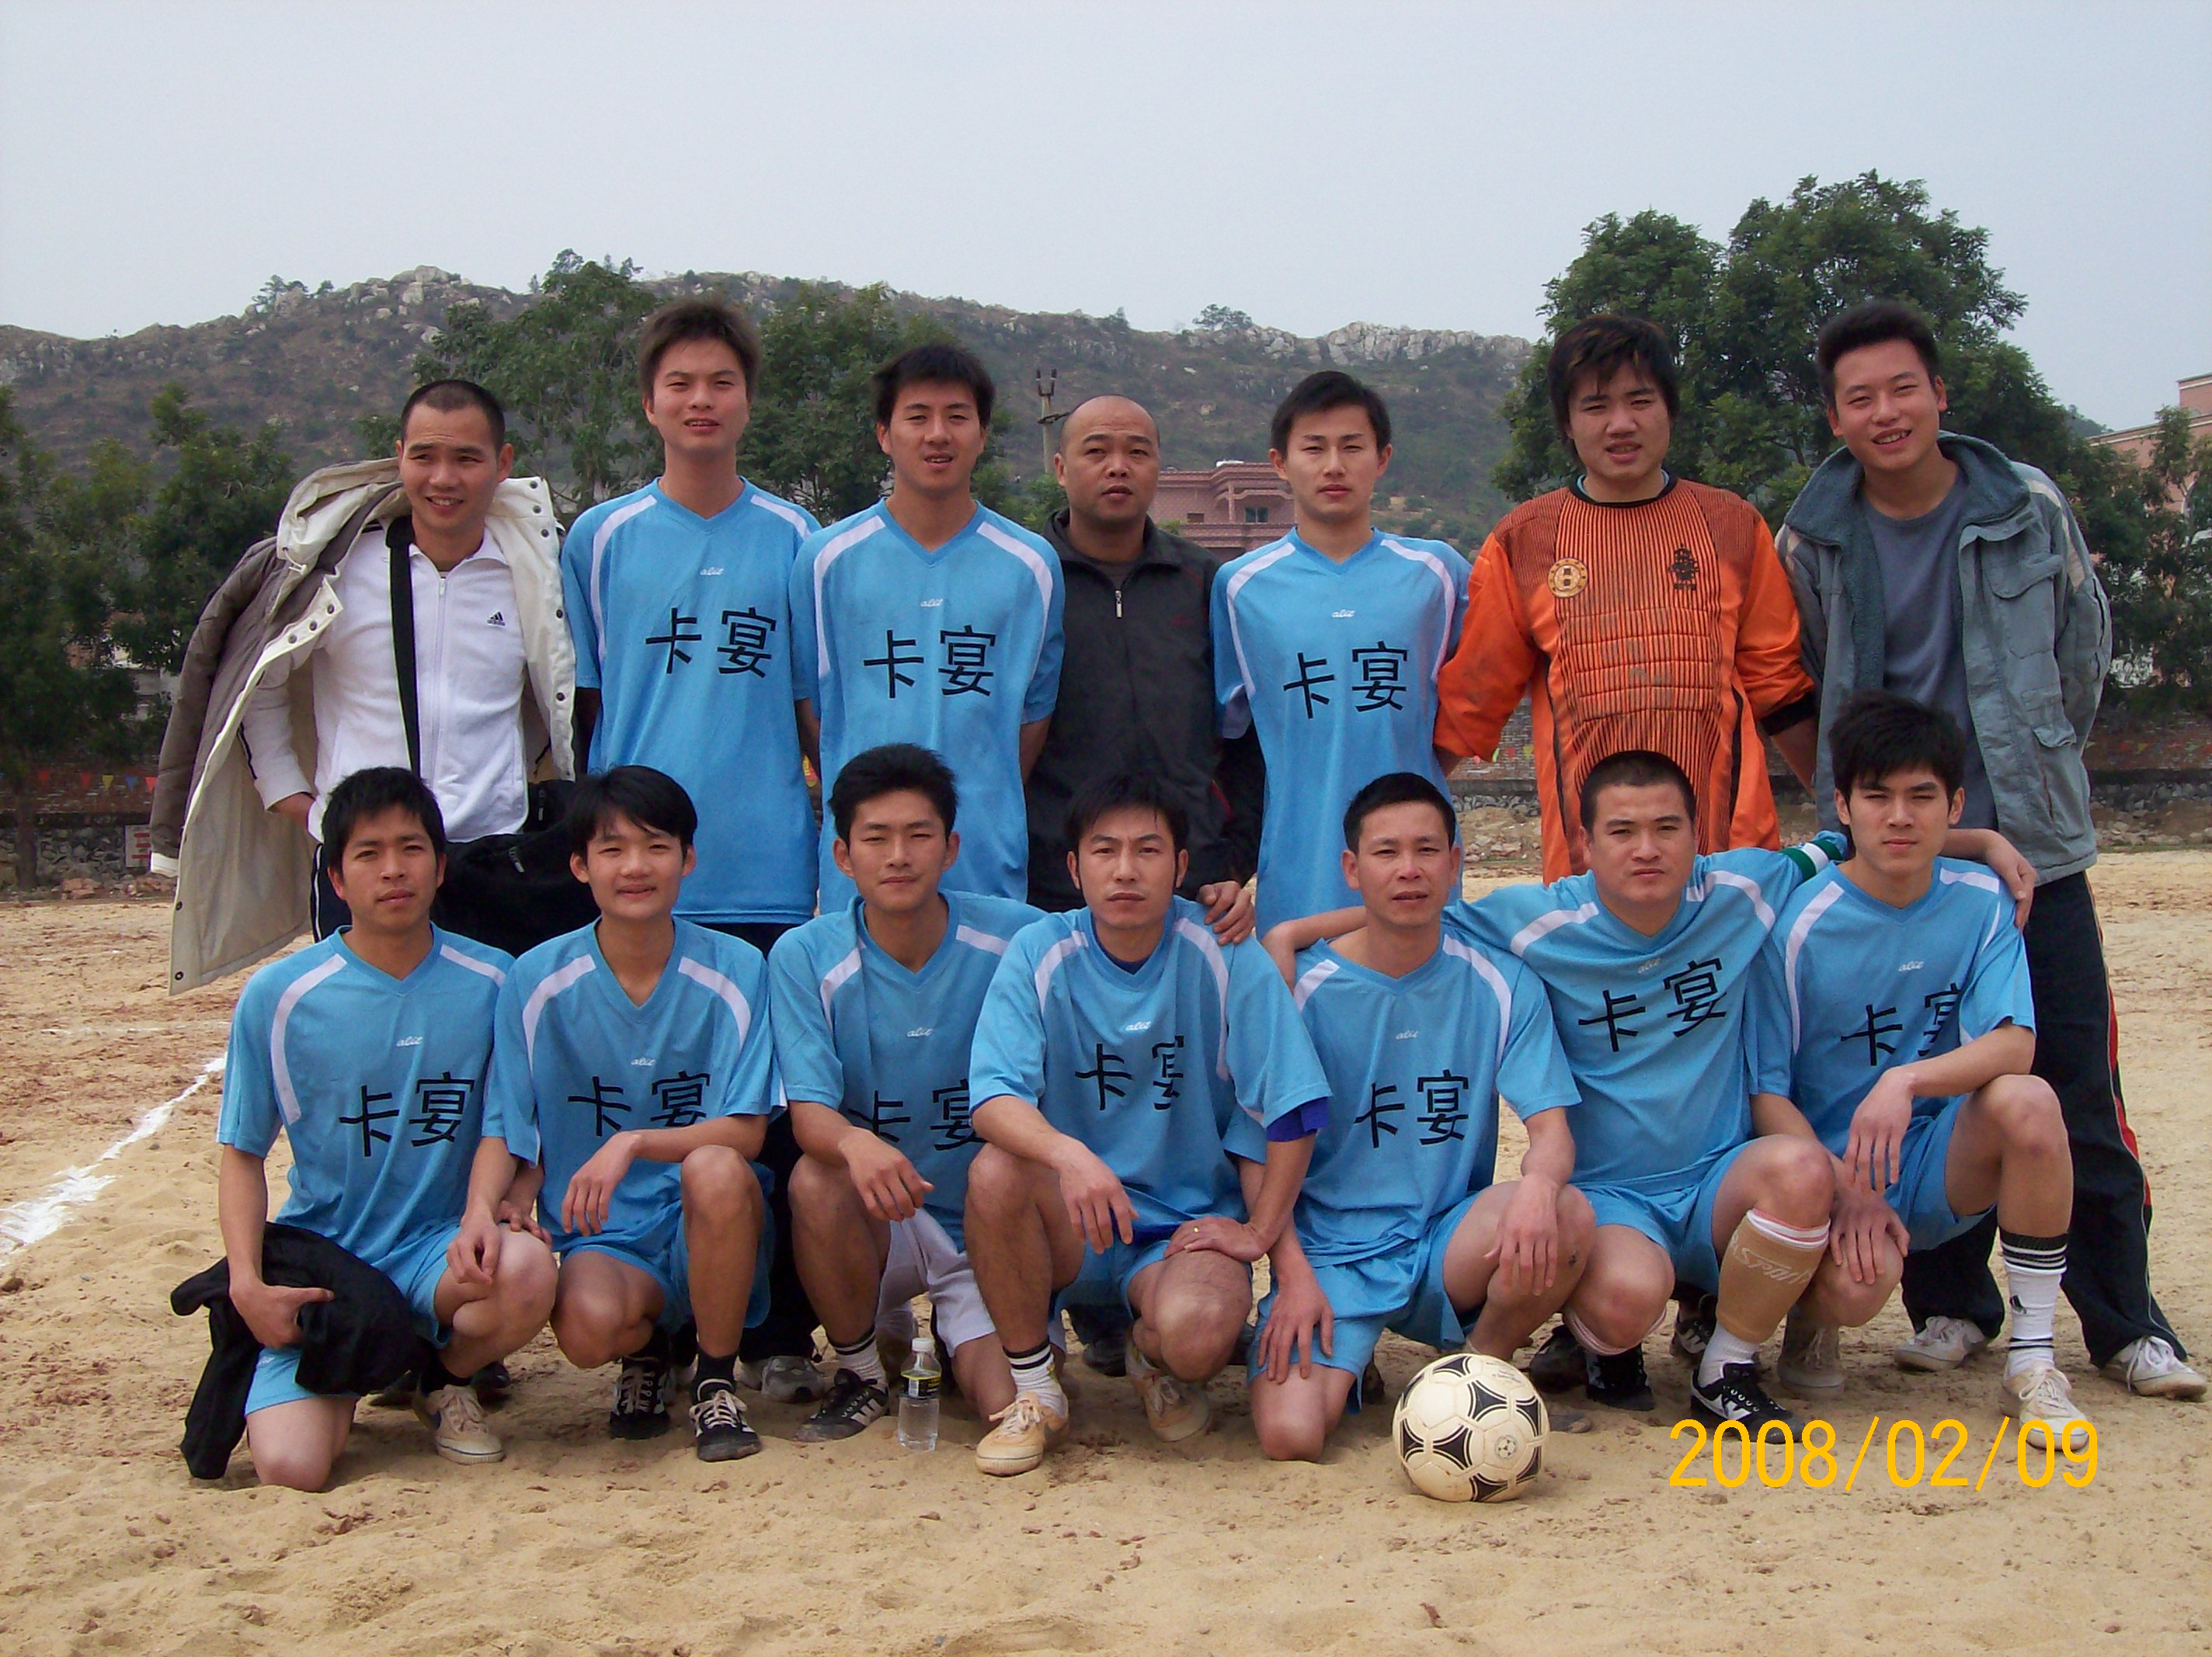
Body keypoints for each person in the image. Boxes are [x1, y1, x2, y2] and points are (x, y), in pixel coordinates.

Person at [1270, 750, 2029, 1427]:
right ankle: (1598, 1339)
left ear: (1698, 836)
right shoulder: (1535, 920)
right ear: (1585, 844)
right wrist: (1292, 935)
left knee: (1802, 1171)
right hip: (1612, 1200)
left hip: (1717, 1178)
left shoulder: (1745, 887)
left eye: (1667, 828)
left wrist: (1984, 843)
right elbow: (1414, 903)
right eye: (1622, 831)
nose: (1646, 848)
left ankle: (1724, 1368)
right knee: (1626, 1301)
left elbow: (1865, 839)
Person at [1778, 300, 2201, 1402]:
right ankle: (1953, 1306)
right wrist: (1884, 807)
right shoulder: (1813, 539)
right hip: (1900, 858)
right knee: (1925, 1079)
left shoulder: (2026, 506)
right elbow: (1809, 681)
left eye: (1901, 388)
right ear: (1835, 416)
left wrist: (2027, 781)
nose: (1884, 412)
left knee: (2072, 1083)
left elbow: (2081, 651)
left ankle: (2124, 1324)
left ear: (1939, 393)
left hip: (2034, 852)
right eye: (1859, 397)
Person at [561, 295, 826, 1405]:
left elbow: (814, 710)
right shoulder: (599, 538)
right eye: (681, 383)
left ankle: (775, 1331)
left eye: (722, 382)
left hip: (767, 870)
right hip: (640, 873)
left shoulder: (797, 540)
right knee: (647, 1098)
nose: (701, 400)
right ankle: (658, 1338)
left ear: (748, 400)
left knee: (768, 1117)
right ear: (649, 402)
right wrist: (605, 844)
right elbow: (590, 704)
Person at [962, 773, 1329, 1475]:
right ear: (1075, 869)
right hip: (1072, 1220)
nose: (1125, 870)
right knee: (996, 1169)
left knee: (1201, 1334)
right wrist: (1070, 1156)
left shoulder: (1223, 950)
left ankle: (1149, 1357)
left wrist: (1260, 1235)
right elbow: (993, 1099)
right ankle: (1036, 1388)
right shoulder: (1039, 951)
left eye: (1148, 850)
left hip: (1179, 1231)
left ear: (1182, 866)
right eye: (1105, 851)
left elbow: (1292, 1104)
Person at [1748, 692, 2089, 1443]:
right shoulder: (1797, 923)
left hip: (1936, 1157)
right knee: (1856, 1292)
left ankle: (2033, 1360)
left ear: (1955, 806)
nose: (1899, 817)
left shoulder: (1984, 900)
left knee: (2029, 1100)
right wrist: (1843, 1187)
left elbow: (2015, 1044)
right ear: (1843, 806)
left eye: (1921, 796)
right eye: (1877, 796)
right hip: (1829, 1170)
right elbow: (1765, 1093)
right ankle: (1810, 1310)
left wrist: (1904, 1080)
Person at [158, 379, 574, 991]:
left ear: (503, 463)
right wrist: (293, 798)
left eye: (466, 458)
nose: (443, 479)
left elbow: (556, 698)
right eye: (425, 456)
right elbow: (261, 684)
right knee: (365, 1032)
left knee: (491, 1038)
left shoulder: (535, 576)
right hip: (369, 865)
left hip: (493, 857)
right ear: (398, 456)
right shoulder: (341, 571)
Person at [213, 767, 555, 1489]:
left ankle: (440, 1378)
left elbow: (507, 1123)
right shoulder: (280, 996)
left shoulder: (495, 979)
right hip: (330, 1261)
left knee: (526, 1270)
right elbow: (242, 1154)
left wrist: (485, 1211)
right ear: (336, 878)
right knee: (292, 1466)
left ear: (441, 865)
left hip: (437, 1250)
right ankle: (358, 1363)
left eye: (412, 848)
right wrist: (246, 1283)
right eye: (369, 854)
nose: (393, 870)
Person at [1028, 391, 1266, 1377]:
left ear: (1160, 465)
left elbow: (1244, 737)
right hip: (1060, 884)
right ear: (1061, 467)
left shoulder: (1207, 585)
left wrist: (1233, 858)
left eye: (1136, 449)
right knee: (1074, 1093)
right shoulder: (1028, 578)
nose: (1117, 466)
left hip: (1191, 885)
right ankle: (1084, 1298)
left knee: (1178, 1087)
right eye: (1096, 449)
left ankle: (1175, 1270)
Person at [1253, 773, 1590, 1461]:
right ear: (1352, 869)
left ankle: (1472, 1374)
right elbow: (1257, 1152)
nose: (1409, 869)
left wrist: (1538, 1186)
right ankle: (1353, 1359)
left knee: (1567, 1213)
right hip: (1333, 1255)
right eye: (1387, 852)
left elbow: (1551, 1129)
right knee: (1290, 1436)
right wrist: (1292, 1273)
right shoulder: (1297, 988)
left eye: (1427, 850)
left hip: (1445, 1241)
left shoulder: (1500, 981)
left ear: (1456, 862)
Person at [1433, 314, 1821, 883]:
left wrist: (1841, 807)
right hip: (1587, 875)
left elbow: (1778, 687)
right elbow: (1473, 701)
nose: (1621, 424)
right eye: (1596, 406)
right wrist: (1397, 808)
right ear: (1567, 423)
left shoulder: (1732, 526)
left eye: (1640, 401)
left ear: (1670, 410)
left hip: (1730, 864)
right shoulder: (1525, 542)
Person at [478, 768, 781, 1461]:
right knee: (586, 1331)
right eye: (612, 850)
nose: (635, 867)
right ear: (579, 866)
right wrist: (504, 1199)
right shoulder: (535, 979)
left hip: (709, 1219)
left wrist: (633, 1143)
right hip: (602, 1232)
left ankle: (714, 1381)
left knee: (715, 1168)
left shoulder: (737, 968)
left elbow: (748, 1131)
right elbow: (514, 1122)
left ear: (688, 858)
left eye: (656, 846)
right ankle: (652, 1353)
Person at [770, 745, 1038, 1441]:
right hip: (876, 1221)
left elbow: (1121, 925)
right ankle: (860, 1369)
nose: (898, 856)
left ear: (951, 848)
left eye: (919, 835)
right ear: (842, 855)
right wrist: (857, 1143)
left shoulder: (1018, 936)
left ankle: (952, 1333)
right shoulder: (804, 955)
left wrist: (1223, 907)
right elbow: (809, 1114)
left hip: (979, 1226)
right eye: (876, 838)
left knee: (1005, 1404)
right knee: (815, 1177)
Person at [791, 342, 1064, 908]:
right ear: (884, 434)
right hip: (864, 871)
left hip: (984, 858)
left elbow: (1032, 715)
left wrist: (980, 794)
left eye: (957, 417)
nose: (938, 434)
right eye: (917, 417)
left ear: (982, 435)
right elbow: (812, 708)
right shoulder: (826, 560)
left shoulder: (1030, 565)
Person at [1212, 370, 1470, 934]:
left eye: (1352, 447)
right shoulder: (1240, 587)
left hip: (1416, 869)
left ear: (1382, 459)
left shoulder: (1438, 574)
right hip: (1300, 872)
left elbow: (1479, 701)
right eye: (1314, 448)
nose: (1334, 466)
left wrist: (1419, 766)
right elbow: (1228, 736)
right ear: (1281, 463)